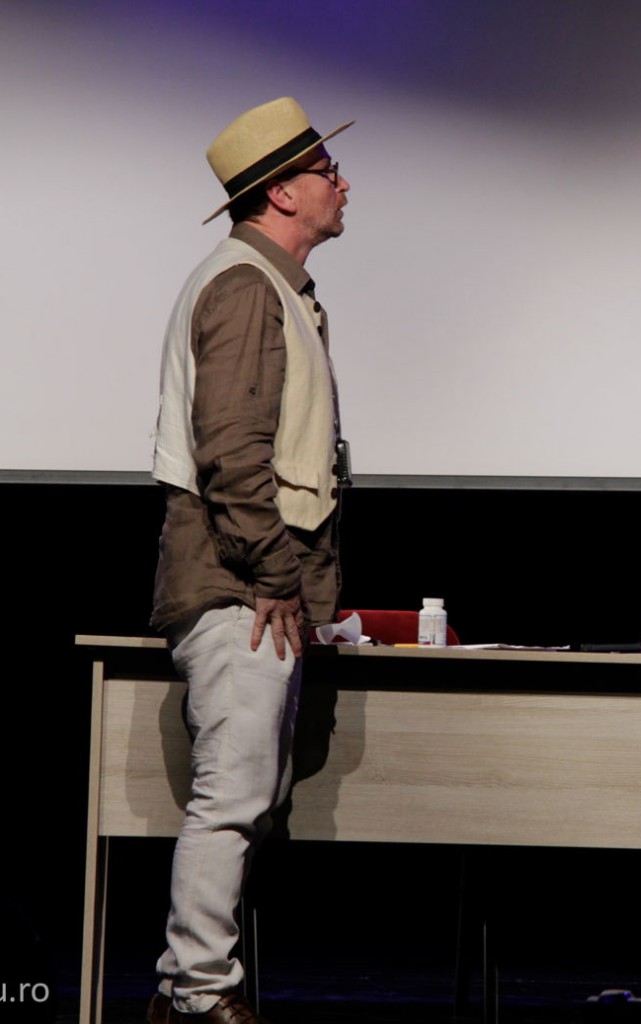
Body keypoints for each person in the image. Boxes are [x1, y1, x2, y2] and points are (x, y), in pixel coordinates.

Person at [147, 96, 353, 1024]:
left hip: (261, 586)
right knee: (231, 796)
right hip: (239, 586)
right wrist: (275, 576)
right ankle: (198, 993)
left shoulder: (279, 287)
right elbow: (230, 450)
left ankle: (183, 992)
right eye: (325, 171)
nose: (342, 184)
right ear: (281, 192)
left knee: (252, 793)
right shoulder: (243, 287)